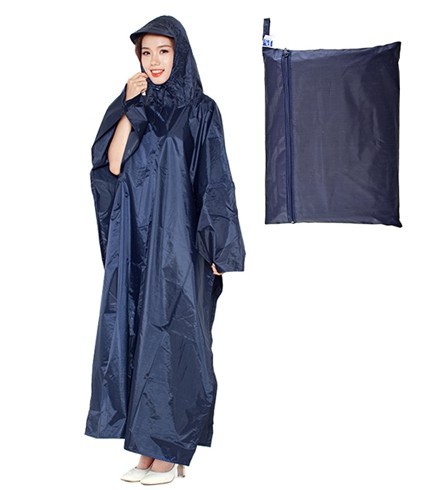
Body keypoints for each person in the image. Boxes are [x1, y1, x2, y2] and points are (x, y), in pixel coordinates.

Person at [85, 16, 245, 485]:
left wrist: (218, 245)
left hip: (179, 242)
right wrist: (128, 106)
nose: (154, 61)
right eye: (146, 53)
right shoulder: (136, 106)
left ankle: (170, 449)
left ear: (181, 54)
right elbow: (113, 165)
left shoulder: (201, 110)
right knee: (136, 332)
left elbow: (215, 178)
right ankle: (146, 447)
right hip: (135, 241)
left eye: (163, 51)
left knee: (175, 336)